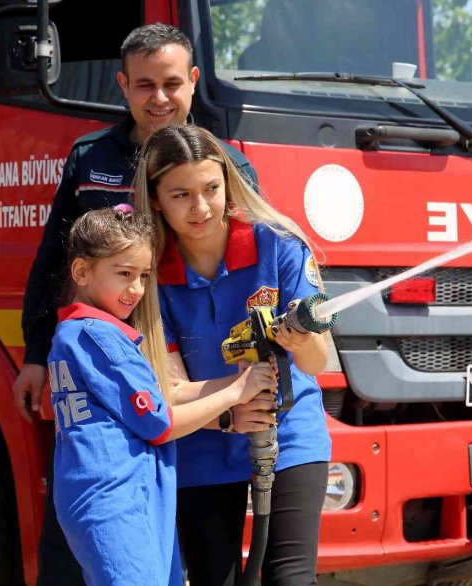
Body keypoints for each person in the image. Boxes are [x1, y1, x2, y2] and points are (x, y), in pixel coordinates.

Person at [15, 23, 258, 583]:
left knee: (198, 541)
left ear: (194, 82)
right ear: (122, 85)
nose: (160, 98)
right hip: (112, 365)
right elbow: (55, 259)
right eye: (144, 84)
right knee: (94, 529)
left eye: (172, 83)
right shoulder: (89, 158)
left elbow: (254, 269)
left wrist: (237, 382)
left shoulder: (226, 165)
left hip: (197, 372)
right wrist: (34, 353)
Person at [134, 125, 332, 586]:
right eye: (181, 194)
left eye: (211, 189)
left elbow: (316, 364)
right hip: (201, 438)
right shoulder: (146, 272)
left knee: (290, 578)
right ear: (156, 200)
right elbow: (170, 392)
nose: (201, 208)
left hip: (289, 433)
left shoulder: (279, 244)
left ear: (228, 181)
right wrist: (229, 413)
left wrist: (302, 337)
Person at [50, 206, 275, 585]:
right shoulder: (100, 337)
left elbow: (163, 399)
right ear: (82, 271)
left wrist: (241, 382)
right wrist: (236, 391)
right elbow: (161, 423)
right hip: (116, 502)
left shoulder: (77, 333)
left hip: (119, 498)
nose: (136, 289)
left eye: (143, 276)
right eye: (124, 274)